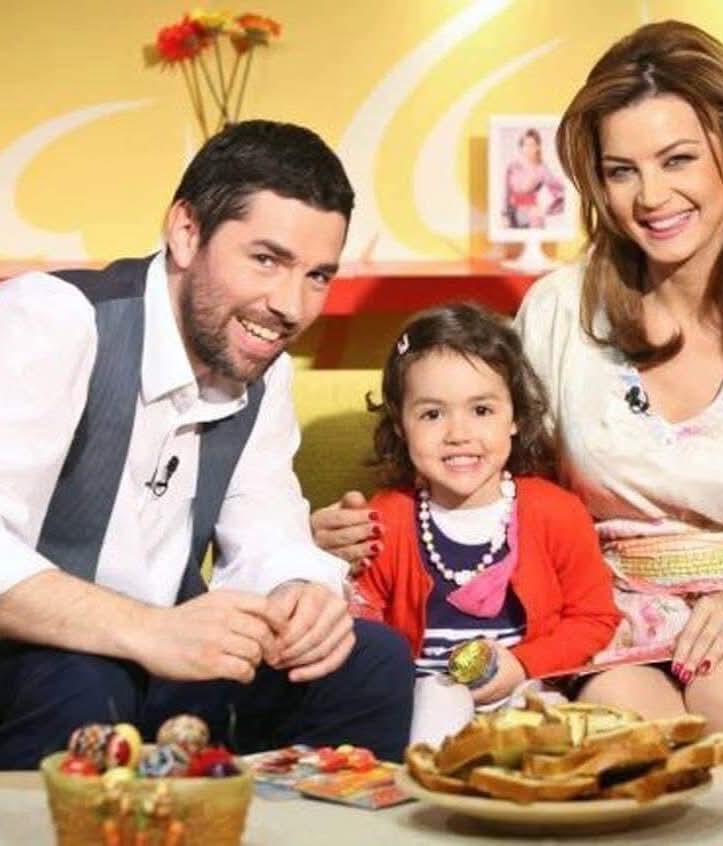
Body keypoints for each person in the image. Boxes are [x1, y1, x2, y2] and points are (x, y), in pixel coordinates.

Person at [0, 120, 413, 769]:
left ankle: (294, 822)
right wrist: (149, 630)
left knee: (371, 662)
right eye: (267, 260)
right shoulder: (56, 319)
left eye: (317, 275)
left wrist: (302, 592)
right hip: (40, 660)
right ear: (186, 232)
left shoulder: (264, 371)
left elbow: (268, 533)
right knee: (83, 684)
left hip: (167, 661)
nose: (291, 306)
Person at [513, 20, 723, 761]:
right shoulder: (556, 312)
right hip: (615, 626)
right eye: (622, 171)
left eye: (677, 160)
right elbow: (516, 493)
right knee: (623, 717)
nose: (651, 197)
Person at [349, 304, 619, 742]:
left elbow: (593, 617)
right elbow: (364, 621)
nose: (458, 434)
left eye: (481, 410)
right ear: (400, 425)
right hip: (425, 698)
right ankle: (432, 778)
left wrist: (524, 665)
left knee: (552, 724)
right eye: (432, 414)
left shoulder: (557, 512)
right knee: (439, 701)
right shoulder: (387, 518)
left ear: (516, 417)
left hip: (528, 684)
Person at [503, 128, 565, 229]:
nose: (528, 148)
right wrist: (504, 215)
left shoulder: (541, 169)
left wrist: (545, 210)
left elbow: (563, 193)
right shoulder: (512, 167)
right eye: (526, 144)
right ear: (521, 147)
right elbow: (506, 193)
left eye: (532, 145)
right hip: (512, 218)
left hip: (532, 220)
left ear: (537, 147)